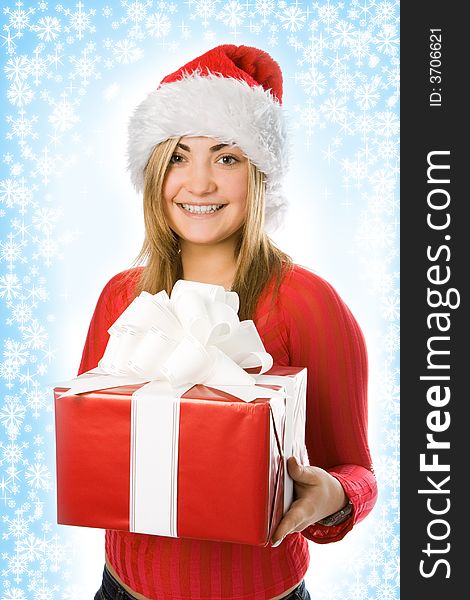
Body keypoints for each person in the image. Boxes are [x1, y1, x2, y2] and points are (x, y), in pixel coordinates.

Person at [79, 44, 377, 600]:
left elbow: (357, 470)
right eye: (177, 157)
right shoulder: (119, 296)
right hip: (122, 587)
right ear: (152, 171)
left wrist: (332, 494)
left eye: (227, 157)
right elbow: (94, 427)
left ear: (260, 175)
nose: (198, 184)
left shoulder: (308, 302)